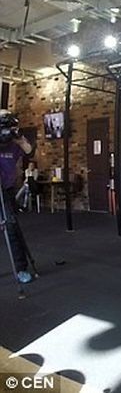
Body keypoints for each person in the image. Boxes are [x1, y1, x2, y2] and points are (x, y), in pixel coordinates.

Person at [0, 110, 34, 283]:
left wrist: (19, 139)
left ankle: (21, 268)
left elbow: (29, 151)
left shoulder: (14, 143)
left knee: (12, 228)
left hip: (6, 190)